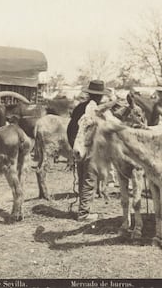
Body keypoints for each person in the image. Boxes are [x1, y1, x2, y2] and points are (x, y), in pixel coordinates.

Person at [67, 80, 110, 222]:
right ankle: (84, 213)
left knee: (82, 177)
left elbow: (70, 128)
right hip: (91, 149)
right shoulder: (97, 111)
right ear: (100, 96)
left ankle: (83, 208)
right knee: (89, 179)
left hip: (79, 147)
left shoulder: (79, 107)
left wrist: (74, 145)